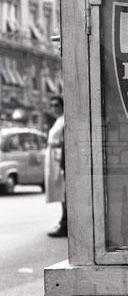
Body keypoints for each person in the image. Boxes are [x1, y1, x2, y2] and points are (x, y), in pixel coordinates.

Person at [45, 95, 67, 237]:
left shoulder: (64, 120)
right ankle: (63, 220)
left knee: (63, 190)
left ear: (62, 106)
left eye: (56, 105)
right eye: (51, 105)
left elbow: (64, 140)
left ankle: (65, 223)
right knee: (60, 191)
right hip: (54, 157)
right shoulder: (58, 121)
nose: (53, 108)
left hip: (59, 158)